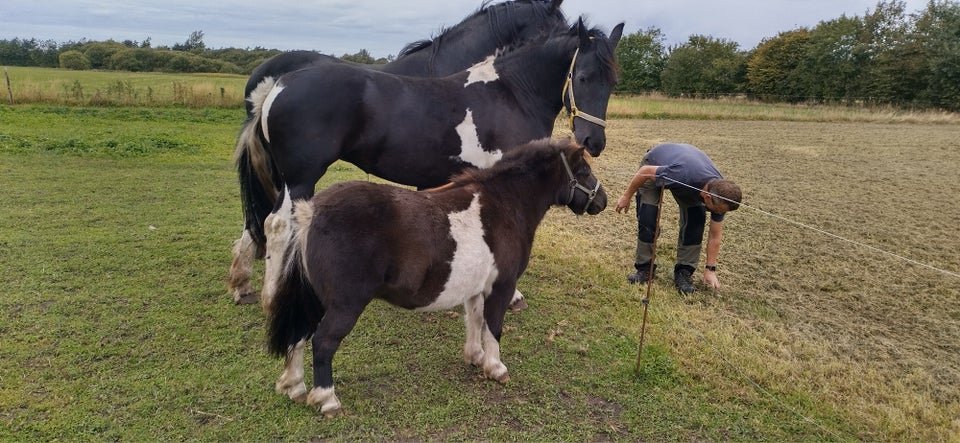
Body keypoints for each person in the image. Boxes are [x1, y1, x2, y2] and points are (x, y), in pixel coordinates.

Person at [615, 143, 742, 294]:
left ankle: (683, 273)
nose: (719, 213)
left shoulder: (721, 196)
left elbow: (715, 236)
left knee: (695, 222)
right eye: (718, 211)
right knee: (648, 217)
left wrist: (710, 269)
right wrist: (626, 196)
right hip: (653, 165)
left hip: (689, 178)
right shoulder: (682, 174)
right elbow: (645, 171)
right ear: (707, 198)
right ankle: (644, 269)